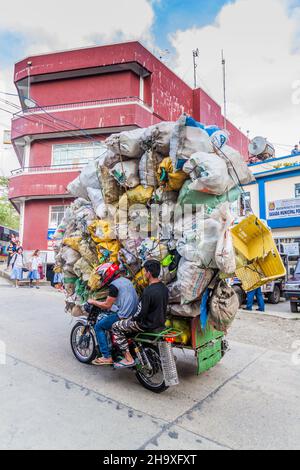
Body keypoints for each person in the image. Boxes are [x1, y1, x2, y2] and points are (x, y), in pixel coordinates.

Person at [112, 259, 169, 369]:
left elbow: (140, 313)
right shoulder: (164, 288)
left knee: (116, 327)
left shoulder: (148, 291)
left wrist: (131, 318)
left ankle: (128, 358)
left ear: (148, 273)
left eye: (144, 271)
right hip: (160, 322)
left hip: (145, 325)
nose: (144, 273)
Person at [87, 263, 139, 366]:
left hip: (123, 316)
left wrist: (93, 302)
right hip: (134, 313)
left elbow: (106, 305)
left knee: (99, 326)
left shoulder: (114, 286)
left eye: (103, 276)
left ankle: (107, 356)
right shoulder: (126, 281)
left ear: (107, 274)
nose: (102, 278)